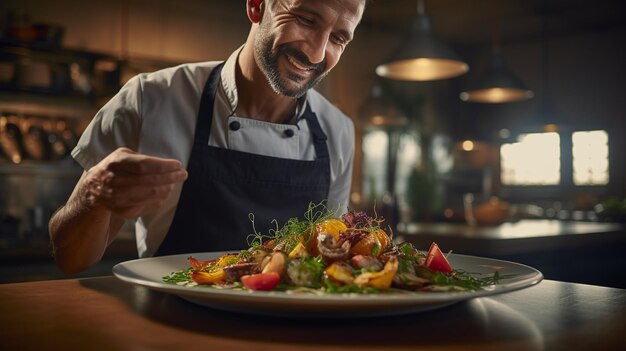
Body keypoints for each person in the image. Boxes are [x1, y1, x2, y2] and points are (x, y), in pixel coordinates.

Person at [49, 0, 367, 274]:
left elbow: (328, 259)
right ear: (257, 5)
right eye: (305, 19)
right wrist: (93, 196)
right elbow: (71, 260)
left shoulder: (337, 130)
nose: (316, 52)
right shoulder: (151, 99)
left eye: (338, 38)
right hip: (172, 327)